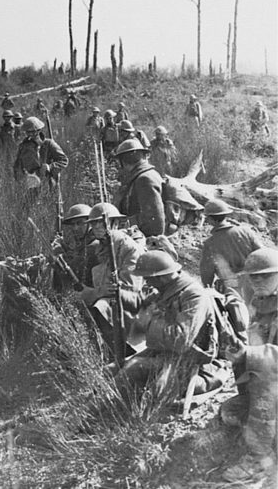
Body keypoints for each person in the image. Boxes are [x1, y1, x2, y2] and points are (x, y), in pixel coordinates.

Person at [117, 251, 226, 397]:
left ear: (160, 277)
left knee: (136, 369)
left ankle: (95, 412)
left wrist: (148, 322)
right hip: (165, 354)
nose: (146, 282)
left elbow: (181, 340)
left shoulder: (193, 296)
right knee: (113, 368)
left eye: (148, 278)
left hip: (190, 362)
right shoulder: (167, 289)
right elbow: (142, 302)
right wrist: (118, 293)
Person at [219, 248, 278, 482]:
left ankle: (259, 459)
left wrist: (251, 353)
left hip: (272, 380)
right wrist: (239, 352)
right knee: (230, 411)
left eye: (265, 276)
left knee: (263, 378)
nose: (257, 282)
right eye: (253, 277)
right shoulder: (261, 301)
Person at [78, 203, 146, 353]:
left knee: (102, 306)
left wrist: (98, 293)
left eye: (100, 222)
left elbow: (129, 288)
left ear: (115, 223)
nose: (96, 227)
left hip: (131, 306)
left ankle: (117, 352)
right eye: (93, 223)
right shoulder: (99, 247)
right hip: (108, 300)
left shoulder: (130, 248)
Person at [200, 199, 263, 301]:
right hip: (254, 283)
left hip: (232, 290)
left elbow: (207, 271)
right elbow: (262, 255)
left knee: (235, 314)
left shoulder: (210, 243)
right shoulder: (246, 231)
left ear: (212, 219)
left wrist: (208, 289)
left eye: (207, 218)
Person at [113, 138, 165, 237]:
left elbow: (154, 222)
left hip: (147, 240)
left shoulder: (144, 179)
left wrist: (124, 225)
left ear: (123, 161)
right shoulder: (145, 175)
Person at [12, 117, 69, 191]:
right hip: (30, 186)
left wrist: (50, 167)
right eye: (28, 132)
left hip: (49, 184)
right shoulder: (23, 146)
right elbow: (17, 166)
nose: (31, 134)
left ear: (39, 131)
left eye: (33, 131)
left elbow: (64, 160)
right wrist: (22, 179)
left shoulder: (49, 144)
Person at [52, 203, 95, 291]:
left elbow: (75, 271)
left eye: (80, 223)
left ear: (90, 223)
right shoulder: (84, 243)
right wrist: (64, 248)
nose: (75, 228)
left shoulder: (94, 245)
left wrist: (60, 254)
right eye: (73, 224)